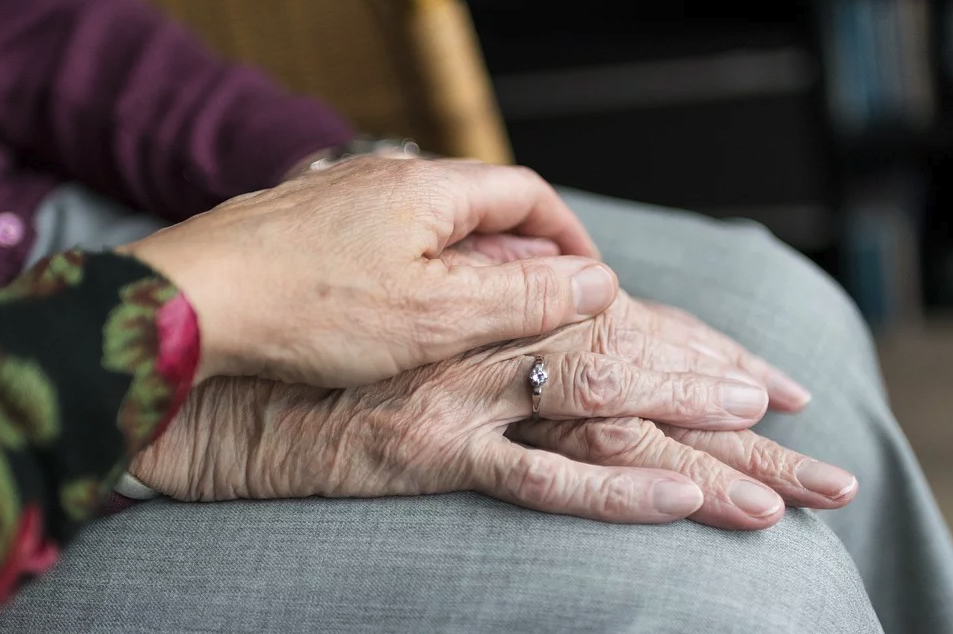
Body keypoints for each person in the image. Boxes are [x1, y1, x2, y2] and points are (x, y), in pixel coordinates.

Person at [0, 1, 950, 633]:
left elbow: (36, 28)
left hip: (68, 218)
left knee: (777, 317)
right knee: (729, 589)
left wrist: (331, 185)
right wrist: (183, 395)